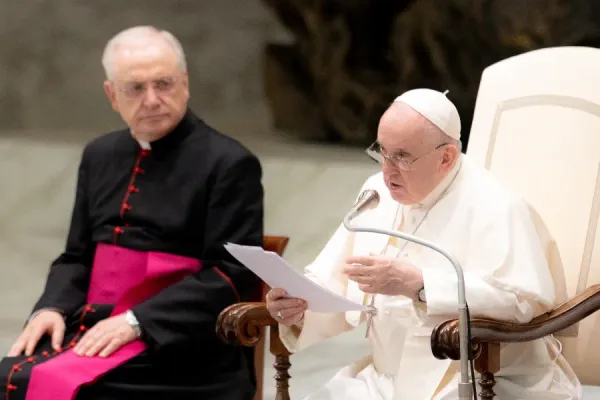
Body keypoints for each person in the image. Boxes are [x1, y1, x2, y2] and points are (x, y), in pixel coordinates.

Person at [0, 26, 263, 400]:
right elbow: (76, 256)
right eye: (135, 88)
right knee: (8, 376)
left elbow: (231, 274)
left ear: (185, 83)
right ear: (112, 95)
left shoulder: (230, 163)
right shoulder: (99, 155)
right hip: (95, 325)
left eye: (164, 84)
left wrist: (137, 321)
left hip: (181, 346)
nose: (153, 99)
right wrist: (51, 308)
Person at [265, 88, 582, 399]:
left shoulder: (496, 205)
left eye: (402, 157)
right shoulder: (377, 193)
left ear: (446, 157)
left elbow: (522, 302)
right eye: (382, 152)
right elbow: (334, 280)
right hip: (385, 380)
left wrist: (420, 284)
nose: (387, 172)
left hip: (479, 380)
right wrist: (298, 307)